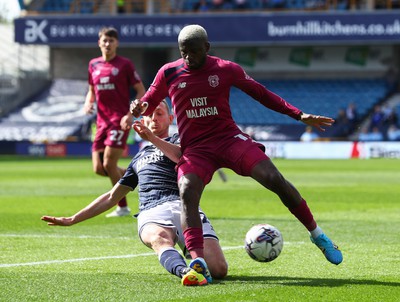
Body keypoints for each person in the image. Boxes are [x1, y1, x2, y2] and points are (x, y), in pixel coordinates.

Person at [130, 24, 343, 282]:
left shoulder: (225, 69)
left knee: (274, 178)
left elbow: (262, 94)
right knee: (187, 190)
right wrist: (138, 107)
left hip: (228, 140)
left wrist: (298, 115)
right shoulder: (169, 72)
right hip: (196, 149)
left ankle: (318, 235)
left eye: (194, 52)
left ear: (207, 48)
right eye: (184, 52)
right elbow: (148, 101)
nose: (188, 57)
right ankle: (197, 260)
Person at [41, 100, 228, 286]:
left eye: (160, 113)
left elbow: (181, 157)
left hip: (185, 207)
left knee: (219, 269)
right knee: (159, 239)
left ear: (171, 118)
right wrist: (73, 219)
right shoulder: (138, 158)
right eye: (149, 115)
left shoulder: (182, 141)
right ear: (143, 121)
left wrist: (153, 139)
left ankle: (190, 250)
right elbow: (111, 196)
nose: (154, 118)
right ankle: (184, 271)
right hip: (152, 210)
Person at [84, 27, 146, 218]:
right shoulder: (93, 65)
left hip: (118, 121)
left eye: (111, 40)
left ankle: (123, 207)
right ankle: (139, 177)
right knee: (99, 168)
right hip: (100, 122)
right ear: (99, 42)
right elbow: (92, 89)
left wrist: (130, 114)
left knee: (110, 164)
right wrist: (88, 102)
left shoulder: (125, 65)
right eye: (104, 40)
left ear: (117, 43)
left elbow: (141, 91)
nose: (108, 44)